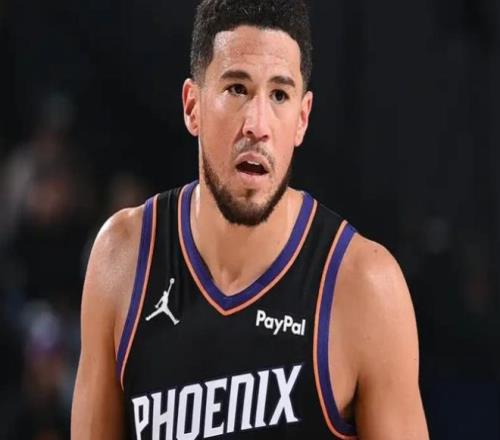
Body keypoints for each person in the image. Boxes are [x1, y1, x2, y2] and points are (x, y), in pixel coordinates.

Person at [71, 0, 429, 438]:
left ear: (302, 119)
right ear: (192, 106)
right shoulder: (123, 260)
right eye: (237, 89)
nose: (257, 125)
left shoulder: (365, 287)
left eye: (279, 95)